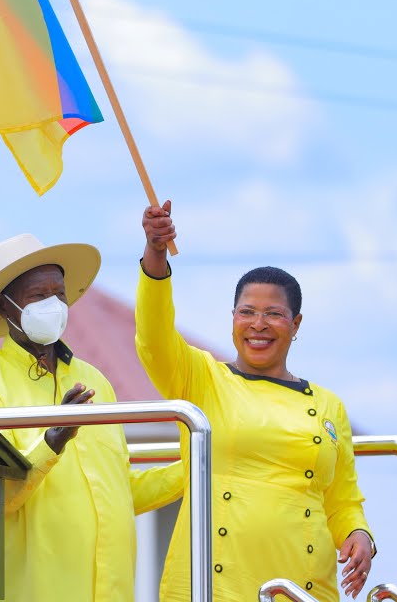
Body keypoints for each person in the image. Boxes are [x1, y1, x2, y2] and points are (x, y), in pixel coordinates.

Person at [136, 201, 376, 602]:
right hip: (215, 587)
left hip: (305, 586)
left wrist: (359, 535)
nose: (258, 325)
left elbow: (343, 501)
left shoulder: (329, 404)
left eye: (274, 314)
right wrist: (155, 254)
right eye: (246, 312)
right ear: (232, 317)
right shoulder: (204, 377)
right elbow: (154, 337)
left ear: (296, 324)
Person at [0, 232, 185, 602]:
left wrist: (197, 467)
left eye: (59, 294)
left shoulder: (95, 381)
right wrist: (51, 442)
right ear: (5, 306)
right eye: (38, 296)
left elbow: (119, 491)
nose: (53, 305)